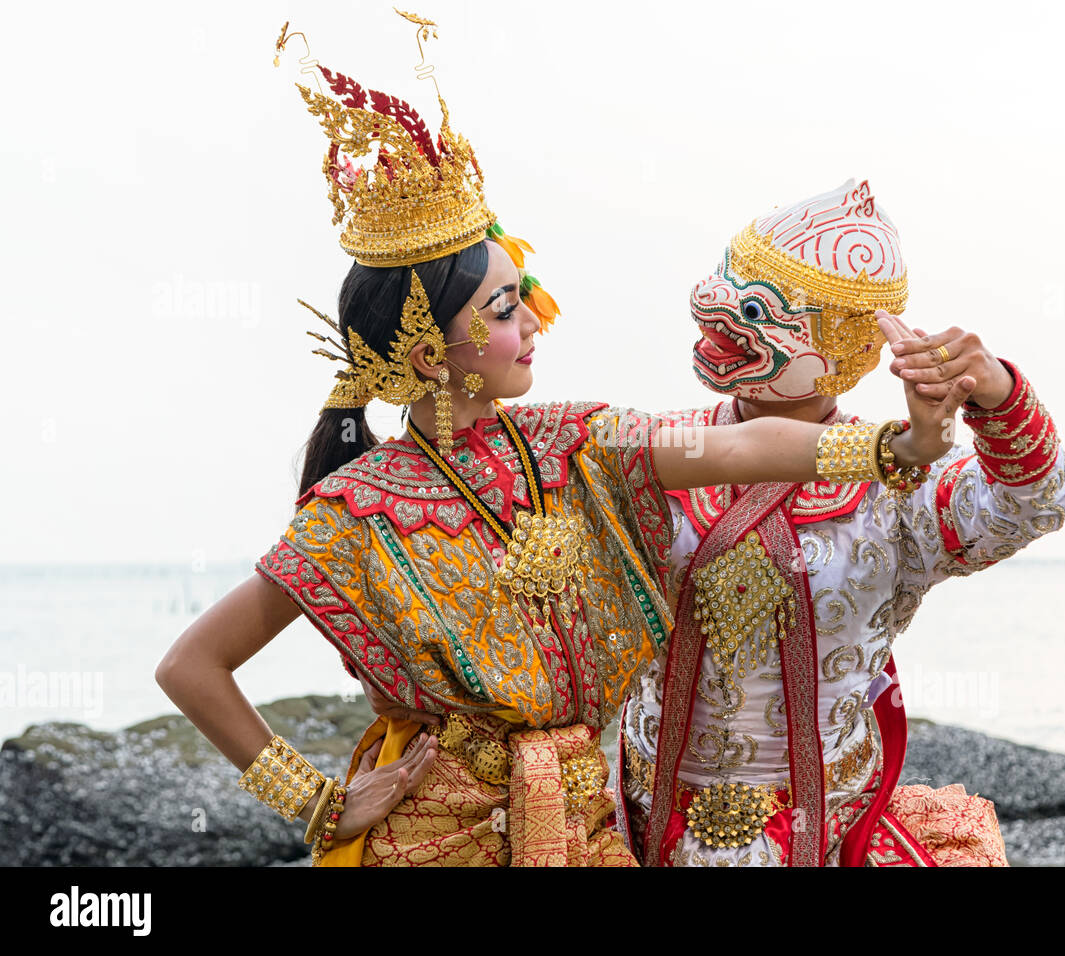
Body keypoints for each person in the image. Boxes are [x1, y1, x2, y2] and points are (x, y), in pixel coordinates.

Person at [154, 14, 978, 867]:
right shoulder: (356, 508)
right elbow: (191, 666)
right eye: (506, 309)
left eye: (526, 293)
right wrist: (321, 801)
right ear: (432, 352)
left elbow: (729, 452)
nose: (535, 320)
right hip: (442, 832)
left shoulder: (566, 442)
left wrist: (897, 449)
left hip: (581, 820)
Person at [616, 179, 1065, 866]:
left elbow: (1037, 502)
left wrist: (999, 396)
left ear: (843, 344)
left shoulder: (901, 488)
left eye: (754, 308)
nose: (715, 318)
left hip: (830, 831)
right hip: (642, 824)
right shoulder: (653, 456)